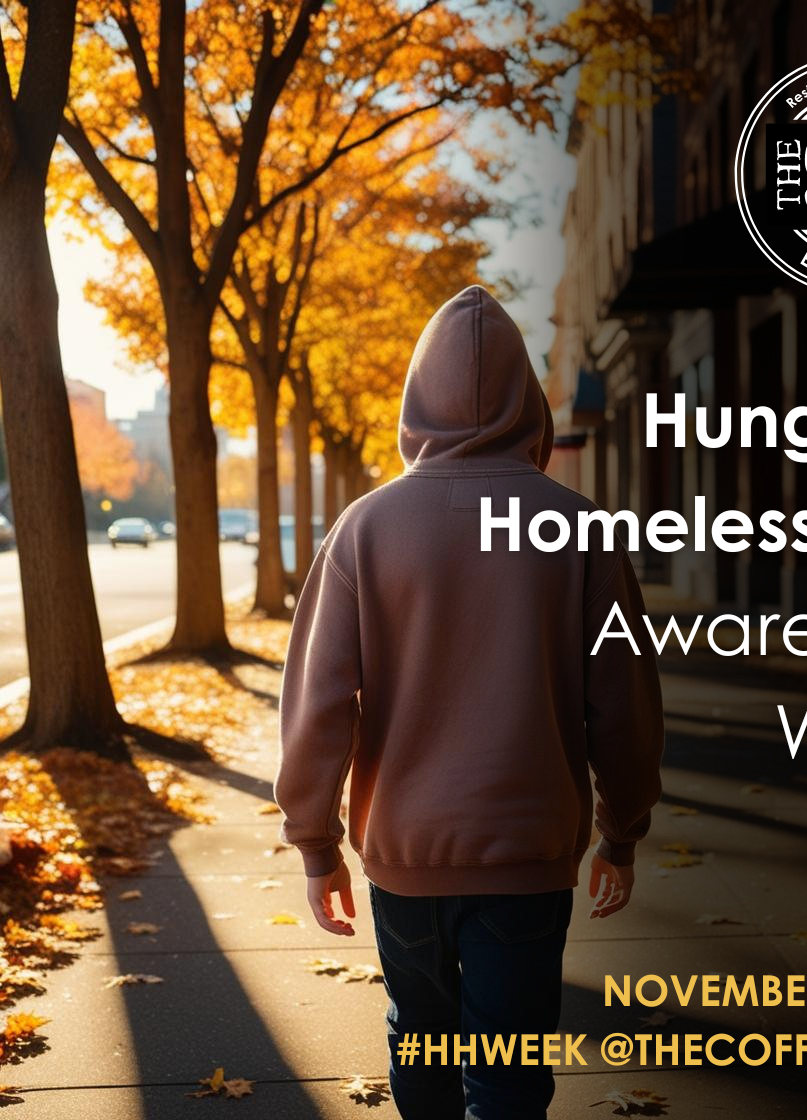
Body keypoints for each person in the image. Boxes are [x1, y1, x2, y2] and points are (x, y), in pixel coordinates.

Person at [275, 285, 664, 1120]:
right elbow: (624, 707)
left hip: (406, 852)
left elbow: (319, 704)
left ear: (417, 399)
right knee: (509, 1070)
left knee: (419, 1036)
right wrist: (621, 832)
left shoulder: (364, 529)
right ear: (531, 404)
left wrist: (315, 842)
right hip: (528, 847)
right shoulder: (582, 532)